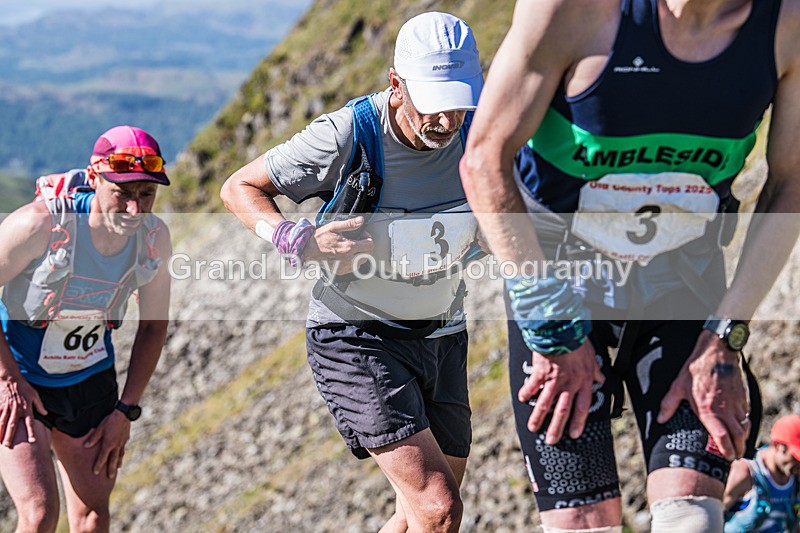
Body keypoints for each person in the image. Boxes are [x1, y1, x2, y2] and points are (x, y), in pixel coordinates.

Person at [460, 0, 800, 531]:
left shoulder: (787, 24)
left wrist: (726, 335)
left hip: (683, 286)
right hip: (560, 289)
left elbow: (790, 183)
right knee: (584, 523)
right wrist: (548, 323)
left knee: (693, 516)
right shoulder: (573, 10)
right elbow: (483, 157)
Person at [221, 11, 483, 532]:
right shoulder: (349, 133)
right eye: (433, 105)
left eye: (457, 105)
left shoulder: (480, 131)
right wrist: (297, 238)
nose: (446, 122)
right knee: (438, 508)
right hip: (357, 335)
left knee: (421, 516)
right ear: (396, 85)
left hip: (443, 334)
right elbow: (239, 188)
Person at [0, 125, 172, 533]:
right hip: (20, 378)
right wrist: (8, 380)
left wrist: (125, 410)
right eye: (123, 194)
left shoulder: (154, 238)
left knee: (92, 519)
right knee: (40, 514)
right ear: (94, 178)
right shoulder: (39, 225)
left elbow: (154, 325)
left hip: (91, 383)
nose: (135, 209)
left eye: (146, 194)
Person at [724, 414, 800, 532]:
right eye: (796, 457)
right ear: (778, 446)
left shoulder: (796, 480)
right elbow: (712, 515)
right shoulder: (745, 473)